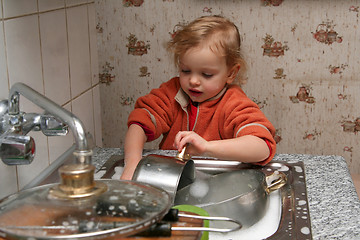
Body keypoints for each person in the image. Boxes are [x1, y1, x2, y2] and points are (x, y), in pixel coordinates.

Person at [120, 15, 276, 180]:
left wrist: (207, 147)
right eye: (186, 71)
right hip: (172, 179)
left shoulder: (234, 102)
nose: (193, 81)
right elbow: (139, 124)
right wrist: (132, 165)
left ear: (231, 73)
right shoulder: (172, 92)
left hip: (219, 183)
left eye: (206, 74)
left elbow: (262, 146)